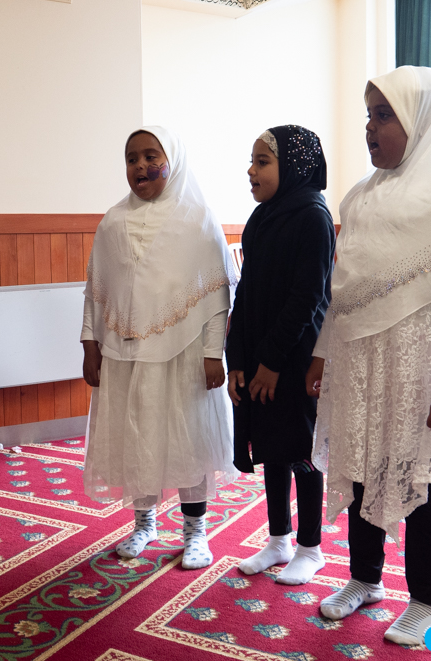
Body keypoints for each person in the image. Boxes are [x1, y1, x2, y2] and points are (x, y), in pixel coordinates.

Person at [306, 66, 431, 645]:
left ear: (424, 120)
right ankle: (364, 579)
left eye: (384, 115)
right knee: (363, 467)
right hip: (360, 366)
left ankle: (429, 598)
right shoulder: (361, 199)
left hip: (423, 371)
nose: (370, 129)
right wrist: (322, 353)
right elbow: (341, 294)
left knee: (425, 478)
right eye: (368, 116)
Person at [81, 126, 239, 570]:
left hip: (182, 355)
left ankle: (195, 532)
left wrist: (213, 354)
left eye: (152, 156)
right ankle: (144, 524)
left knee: (185, 440)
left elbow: (215, 297)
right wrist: (90, 344)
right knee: (137, 439)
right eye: (132, 158)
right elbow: (95, 291)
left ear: (175, 159)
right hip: (125, 354)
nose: (141, 166)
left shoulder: (198, 219)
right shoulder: (112, 222)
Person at [225, 125, 335, 586]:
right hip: (259, 354)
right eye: (251, 161)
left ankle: (310, 548)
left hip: (294, 356)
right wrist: (238, 358)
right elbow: (246, 292)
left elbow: (307, 298)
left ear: (291, 166)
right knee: (272, 446)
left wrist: (270, 361)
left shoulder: (312, 216)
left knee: (301, 448)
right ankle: (279, 539)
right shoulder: (263, 218)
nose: (251, 171)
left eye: (262, 161)